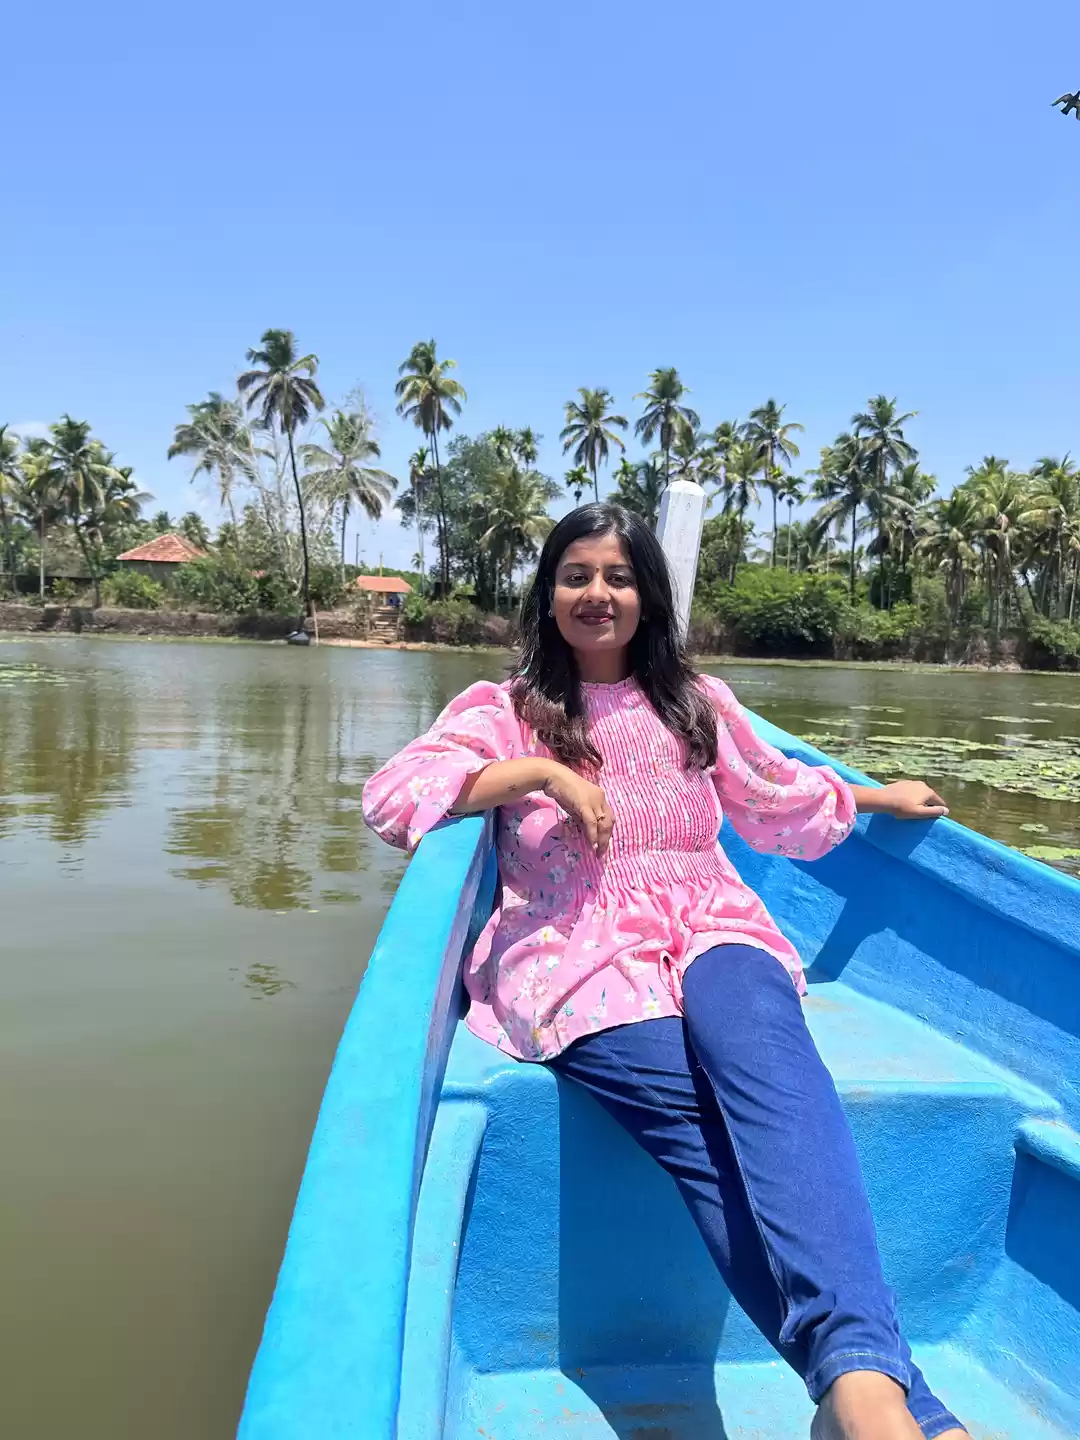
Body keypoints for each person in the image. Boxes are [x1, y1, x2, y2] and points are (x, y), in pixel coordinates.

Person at [362, 503, 967, 1440]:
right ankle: (886, 1399)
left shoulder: (697, 700)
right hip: (576, 951)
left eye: (618, 576)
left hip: (710, 919)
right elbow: (395, 796)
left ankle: (862, 1394)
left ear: (647, 595)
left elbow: (777, 791)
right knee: (699, 1118)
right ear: (549, 595)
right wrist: (538, 775)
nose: (597, 593)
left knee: (775, 1072)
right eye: (576, 576)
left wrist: (877, 794)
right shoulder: (502, 710)